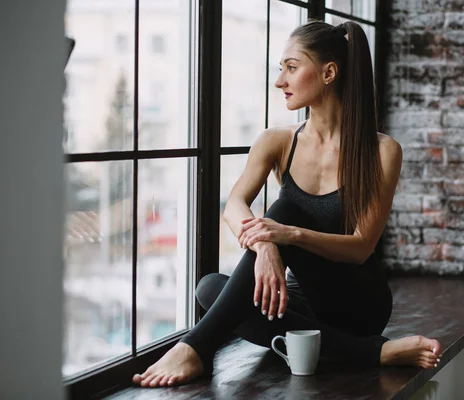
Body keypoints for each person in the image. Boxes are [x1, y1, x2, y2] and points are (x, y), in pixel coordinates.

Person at [132, 19, 442, 388]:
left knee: (284, 211)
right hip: (305, 299)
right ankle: (370, 352)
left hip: (360, 303)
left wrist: (289, 234)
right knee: (210, 288)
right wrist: (265, 245)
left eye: (291, 68)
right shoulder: (277, 141)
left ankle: (195, 348)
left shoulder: (382, 151)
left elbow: (361, 248)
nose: (280, 80)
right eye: (281, 69)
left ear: (328, 73)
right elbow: (233, 205)